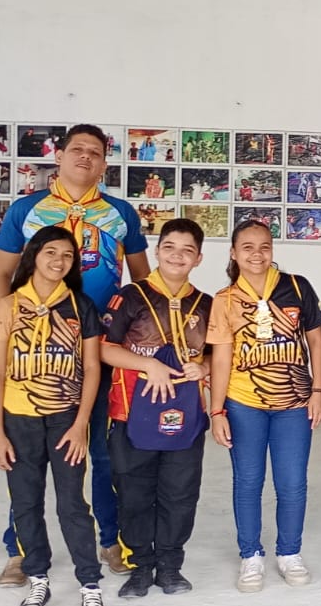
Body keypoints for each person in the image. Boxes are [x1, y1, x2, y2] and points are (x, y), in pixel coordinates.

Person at [0, 123, 150, 587]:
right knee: (26, 455)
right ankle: (21, 550)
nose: (85, 157)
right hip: (38, 353)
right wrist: (13, 327)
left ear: (104, 163)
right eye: (76, 149)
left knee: (101, 449)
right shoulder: (27, 210)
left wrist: (136, 341)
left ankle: (110, 541)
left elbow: (142, 284)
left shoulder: (120, 213)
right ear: (58, 156)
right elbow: (1, 274)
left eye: (95, 152)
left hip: (100, 349)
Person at [0, 225, 108, 606]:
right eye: (51, 252)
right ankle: (38, 577)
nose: (59, 261)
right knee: (26, 502)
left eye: (68, 255)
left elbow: (92, 368)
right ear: (33, 256)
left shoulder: (81, 307)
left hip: (64, 420)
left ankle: (89, 584)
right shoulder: (8, 306)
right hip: (18, 421)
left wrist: (81, 424)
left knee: (72, 503)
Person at [206, 220, 321, 593]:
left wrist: (319, 390)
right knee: (248, 481)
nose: (256, 254)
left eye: (264, 246)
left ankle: (289, 552)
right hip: (244, 403)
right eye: (247, 247)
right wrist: (217, 411)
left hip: (294, 403)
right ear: (233, 253)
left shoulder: (297, 286)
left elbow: (316, 342)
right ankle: (251, 555)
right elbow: (221, 359)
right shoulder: (225, 300)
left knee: (292, 482)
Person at [98, 218, 211, 598]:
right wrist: (147, 364)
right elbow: (104, 348)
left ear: (198, 258)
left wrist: (204, 367)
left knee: (180, 494)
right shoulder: (130, 297)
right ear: (157, 251)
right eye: (169, 248)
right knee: (133, 493)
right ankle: (140, 567)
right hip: (131, 415)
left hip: (186, 418)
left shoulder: (207, 305)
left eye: (187, 250)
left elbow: (218, 354)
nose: (177, 256)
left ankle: (170, 566)